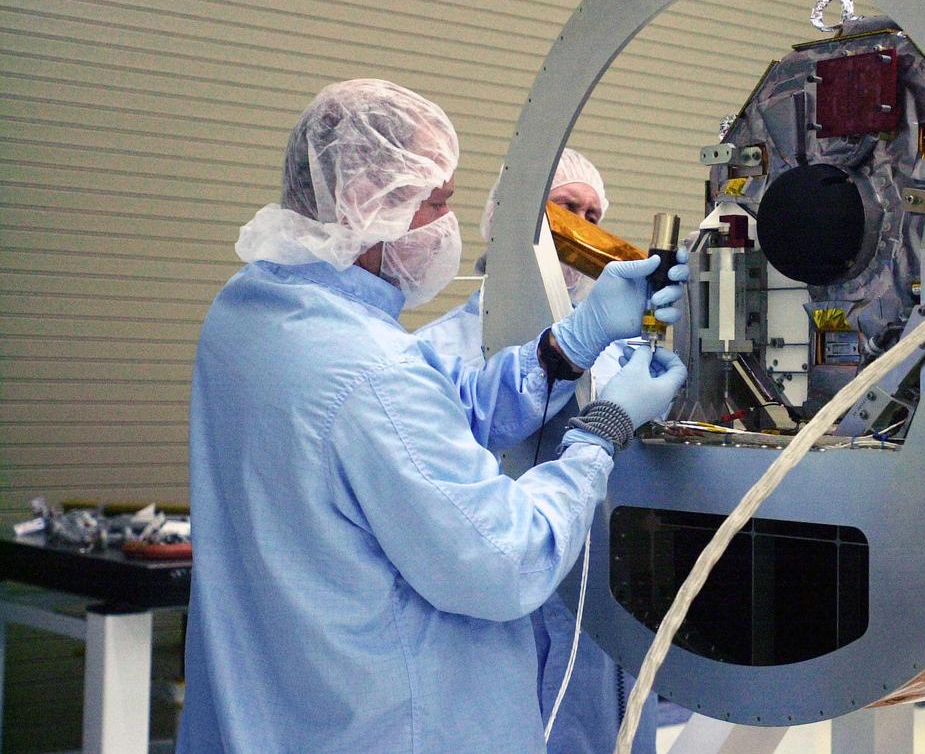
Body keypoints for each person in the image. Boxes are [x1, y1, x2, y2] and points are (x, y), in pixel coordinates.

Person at [180, 79, 688, 753]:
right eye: (437, 202)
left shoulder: (248, 314)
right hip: (389, 726)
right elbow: (505, 559)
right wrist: (603, 430)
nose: (449, 224)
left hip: (280, 710)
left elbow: (443, 413)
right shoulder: (372, 368)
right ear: (363, 200)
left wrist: (571, 343)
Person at [417, 149, 661, 753]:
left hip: (606, 634)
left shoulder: (620, 354)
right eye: (564, 208)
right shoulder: (434, 352)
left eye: (593, 214)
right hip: (492, 632)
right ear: (509, 215)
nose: (581, 224)